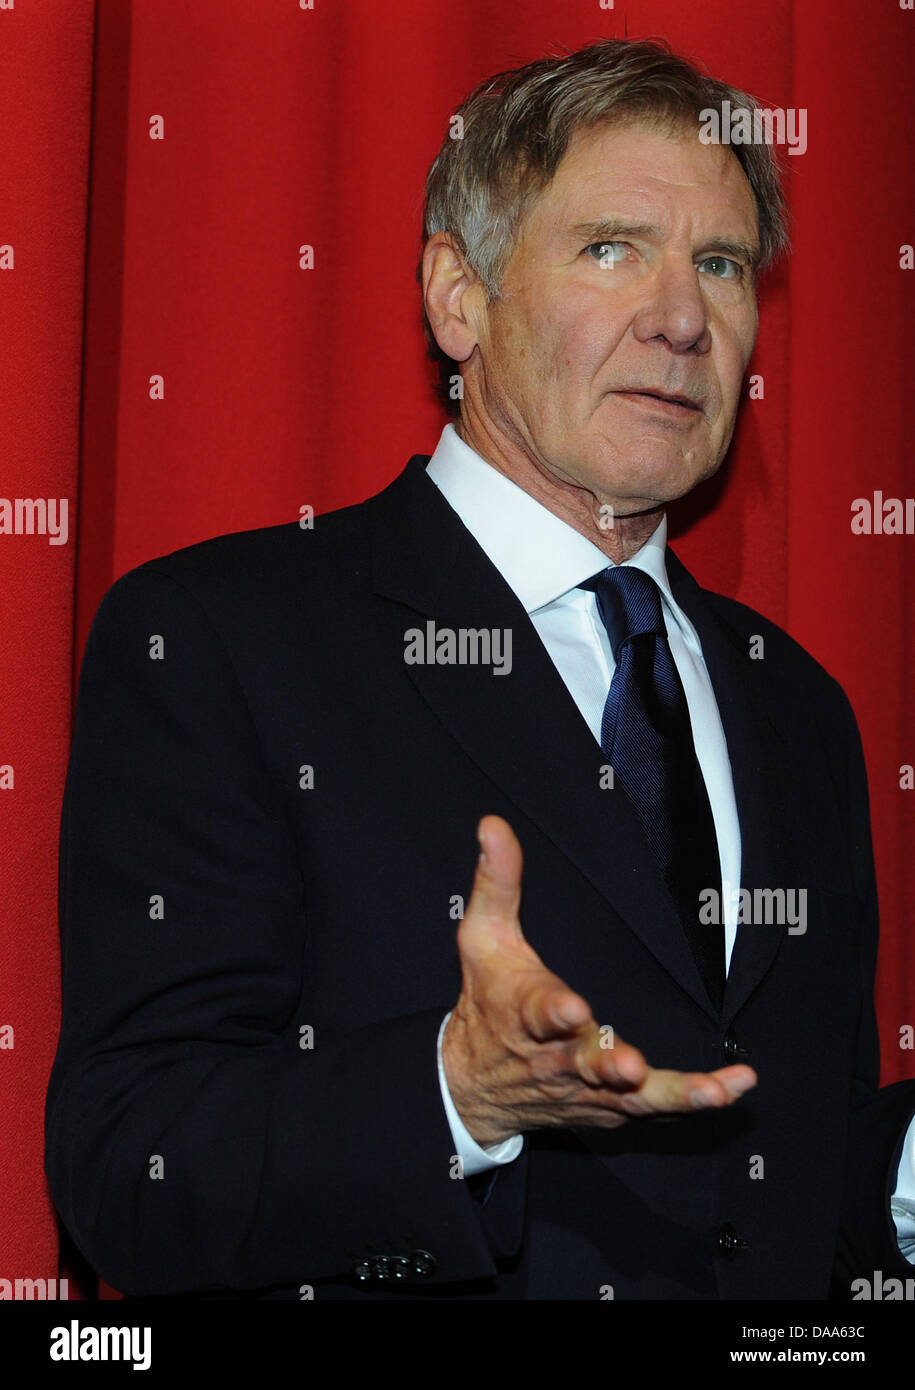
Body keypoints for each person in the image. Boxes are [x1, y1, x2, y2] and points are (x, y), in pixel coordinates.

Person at [45, 37, 915, 1300]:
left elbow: (773, 1177)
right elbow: (136, 1169)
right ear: (459, 296)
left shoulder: (798, 705)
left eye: (720, 264)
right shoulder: (223, 640)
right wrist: (454, 1092)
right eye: (613, 246)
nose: (681, 316)